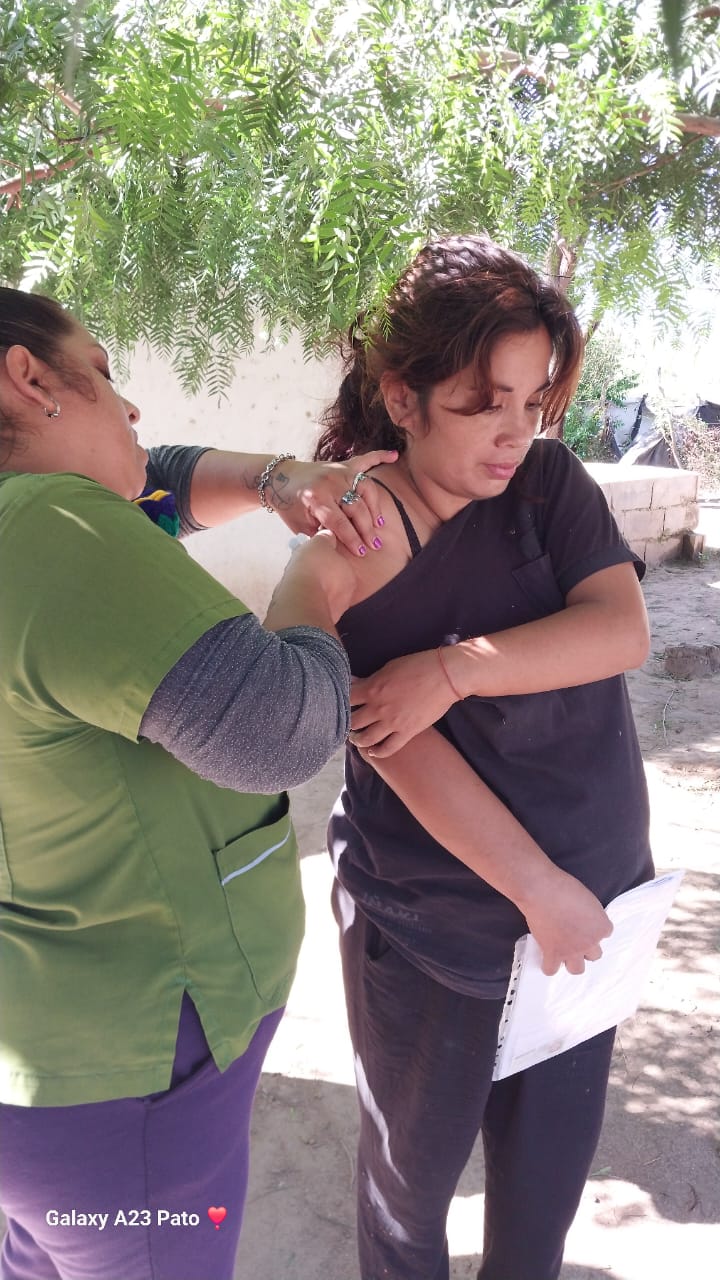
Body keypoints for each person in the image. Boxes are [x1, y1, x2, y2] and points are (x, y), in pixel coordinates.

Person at [0, 286, 397, 1280]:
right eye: (103, 374)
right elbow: (277, 729)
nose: (131, 406)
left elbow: (153, 481)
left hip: (44, 1063)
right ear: (28, 378)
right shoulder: (45, 524)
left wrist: (275, 479)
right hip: (123, 1083)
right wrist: (315, 579)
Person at [315, 235, 655, 1280]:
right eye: (483, 402)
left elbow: (620, 629)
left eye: (534, 400)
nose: (516, 431)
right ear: (403, 396)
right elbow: (394, 746)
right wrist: (537, 887)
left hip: (589, 922)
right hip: (438, 936)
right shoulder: (358, 533)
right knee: (407, 1207)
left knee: (538, 1215)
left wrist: (454, 669)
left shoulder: (546, 483)